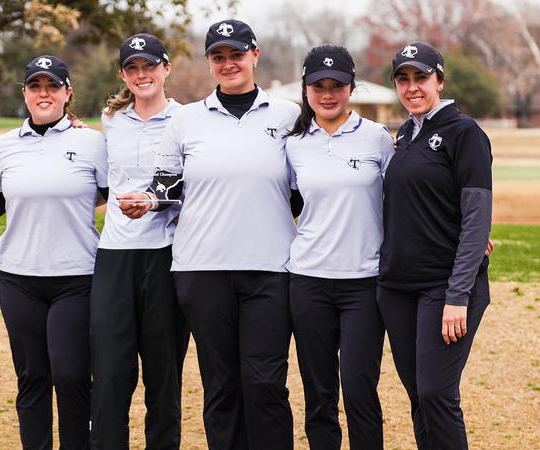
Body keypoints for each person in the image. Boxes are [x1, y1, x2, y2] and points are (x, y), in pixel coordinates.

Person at [119, 19, 301, 450]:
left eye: (236, 54)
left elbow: (304, 189)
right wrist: (148, 199)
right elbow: (167, 184)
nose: (228, 63)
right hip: (202, 271)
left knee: (265, 383)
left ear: (254, 55)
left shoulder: (288, 116)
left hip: (270, 269)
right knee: (221, 386)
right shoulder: (186, 121)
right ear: (209, 62)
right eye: (218, 56)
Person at [0, 55, 108, 450]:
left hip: (76, 277)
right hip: (19, 278)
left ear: (67, 92)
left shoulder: (92, 142)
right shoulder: (1, 147)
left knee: (72, 377)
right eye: (36, 86)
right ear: (24, 93)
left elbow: (107, 196)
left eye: (52, 86)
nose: (44, 93)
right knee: (32, 379)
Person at [377, 42, 492, 450]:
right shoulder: (405, 134)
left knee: (436, 394)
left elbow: (477, 215)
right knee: (418, 396)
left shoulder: (465, 133)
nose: (412, 87)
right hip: (397, 288)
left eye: (421, 77)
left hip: (445, 288)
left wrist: (458, 295)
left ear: (440, 81)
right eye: (403, 79)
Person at [284, 45, 394, 450]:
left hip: (364, 283)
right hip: (308, 282)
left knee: (360, 389)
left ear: (351, 87)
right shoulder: (293, 143)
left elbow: (409, 197)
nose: (327, 94)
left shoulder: (377, 139)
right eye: (318, 86)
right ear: (306, 89)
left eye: (337, 86)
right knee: (319, 394)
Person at [90, 33, 189, 450]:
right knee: (111, 372)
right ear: (123, 75)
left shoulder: (188, 120)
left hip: (166, 255)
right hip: (115, 256)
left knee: (163, 374)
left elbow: (192, 186)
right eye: (133, 68)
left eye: (150, 66)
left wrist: (154, 201)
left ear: (166, 68)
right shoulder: (110, 121)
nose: (142, 74)